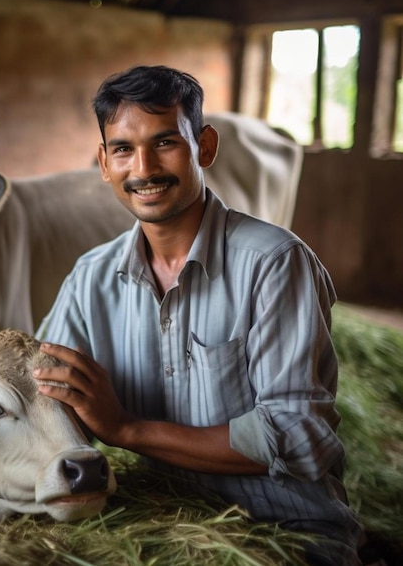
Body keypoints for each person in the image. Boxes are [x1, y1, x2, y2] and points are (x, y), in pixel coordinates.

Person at [33, 65, 362, 565]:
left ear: (204, 147)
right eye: (123, 149)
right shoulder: (89, 277)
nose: (143, 168)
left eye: (165, 142)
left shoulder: (274, 263)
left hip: (282, 530)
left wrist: (126, 430)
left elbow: (299, 437)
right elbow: (42, 395)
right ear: (103, 162)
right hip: (147, 521)